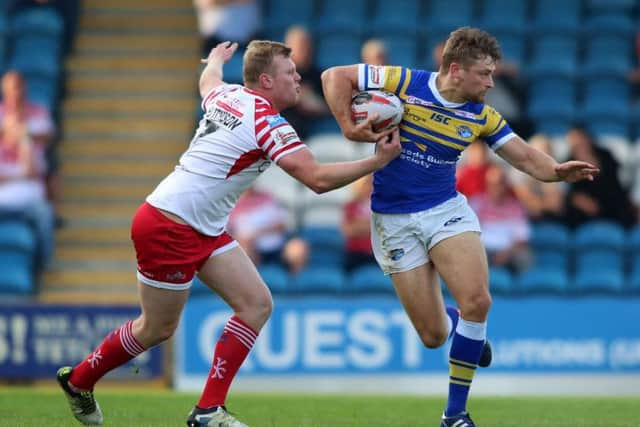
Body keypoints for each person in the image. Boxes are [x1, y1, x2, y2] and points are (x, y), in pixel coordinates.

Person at [55, 40, 401, 427]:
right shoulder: (267, 122)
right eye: (291, 72)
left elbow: (208, 82)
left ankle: (207, 410)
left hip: (198, 224)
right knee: (157, 328)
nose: (298, 77)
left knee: (256, 304)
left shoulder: (229, 94)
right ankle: (80, 380)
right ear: (267, 80)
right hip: (170, 224)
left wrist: (216, 61)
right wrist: (377, 162)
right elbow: (317, 179)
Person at [321, 27, 599, 427]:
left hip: (445, 210)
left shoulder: (481, 117)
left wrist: (556, 172)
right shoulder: (404, 82)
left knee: (478, 301)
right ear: (456, 70)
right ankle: (458, 326)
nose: (490, 82)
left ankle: (455, 415)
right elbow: (334, 76)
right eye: (484, 74)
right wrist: (349, 126)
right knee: (433, 335)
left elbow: (523, 157)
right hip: (393, 220)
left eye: (492, 74)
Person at [562, 125, 636, 228]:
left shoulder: (605, 155)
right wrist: (577, 198)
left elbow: (613, 181)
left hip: (609, 198)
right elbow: (568, 189)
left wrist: (590, 161)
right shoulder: (568, 162)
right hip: (584, 206)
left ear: (587, 139)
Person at [471, 164, 532, 273]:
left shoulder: (516, 207)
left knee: (525, 257)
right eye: (492, 184)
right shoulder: (476, 204)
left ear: (505, 185)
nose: (496, 187)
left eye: (499, 183)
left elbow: (522, 239)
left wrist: (507, 253)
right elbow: (469, 235)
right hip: (482, 250)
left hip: (509, 251)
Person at [279, 25, 330, 139]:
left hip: (310, 132)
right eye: (298, 46)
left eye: (306, 45)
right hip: (279, 129)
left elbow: (327, 107)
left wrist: (312, 101)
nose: (304, 50)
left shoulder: (319, 75)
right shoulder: (277, 73)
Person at [226, 184, 289, 265]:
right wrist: (242, 240)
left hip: (277, 248)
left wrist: (258, 233)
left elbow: (282, 225)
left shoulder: (267, 198)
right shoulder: (229, 204)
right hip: (247, 248)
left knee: (296, 249)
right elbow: (227, 233)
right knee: (244, 251)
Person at [341, 174, 376, 272]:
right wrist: (372, 225)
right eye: (366, 184)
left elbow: (385, 228)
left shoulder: (382, 206)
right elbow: (348, 231)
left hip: (378, 253)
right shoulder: (351, 206)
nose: (369, 187)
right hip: (356, 253)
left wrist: (359, 225)